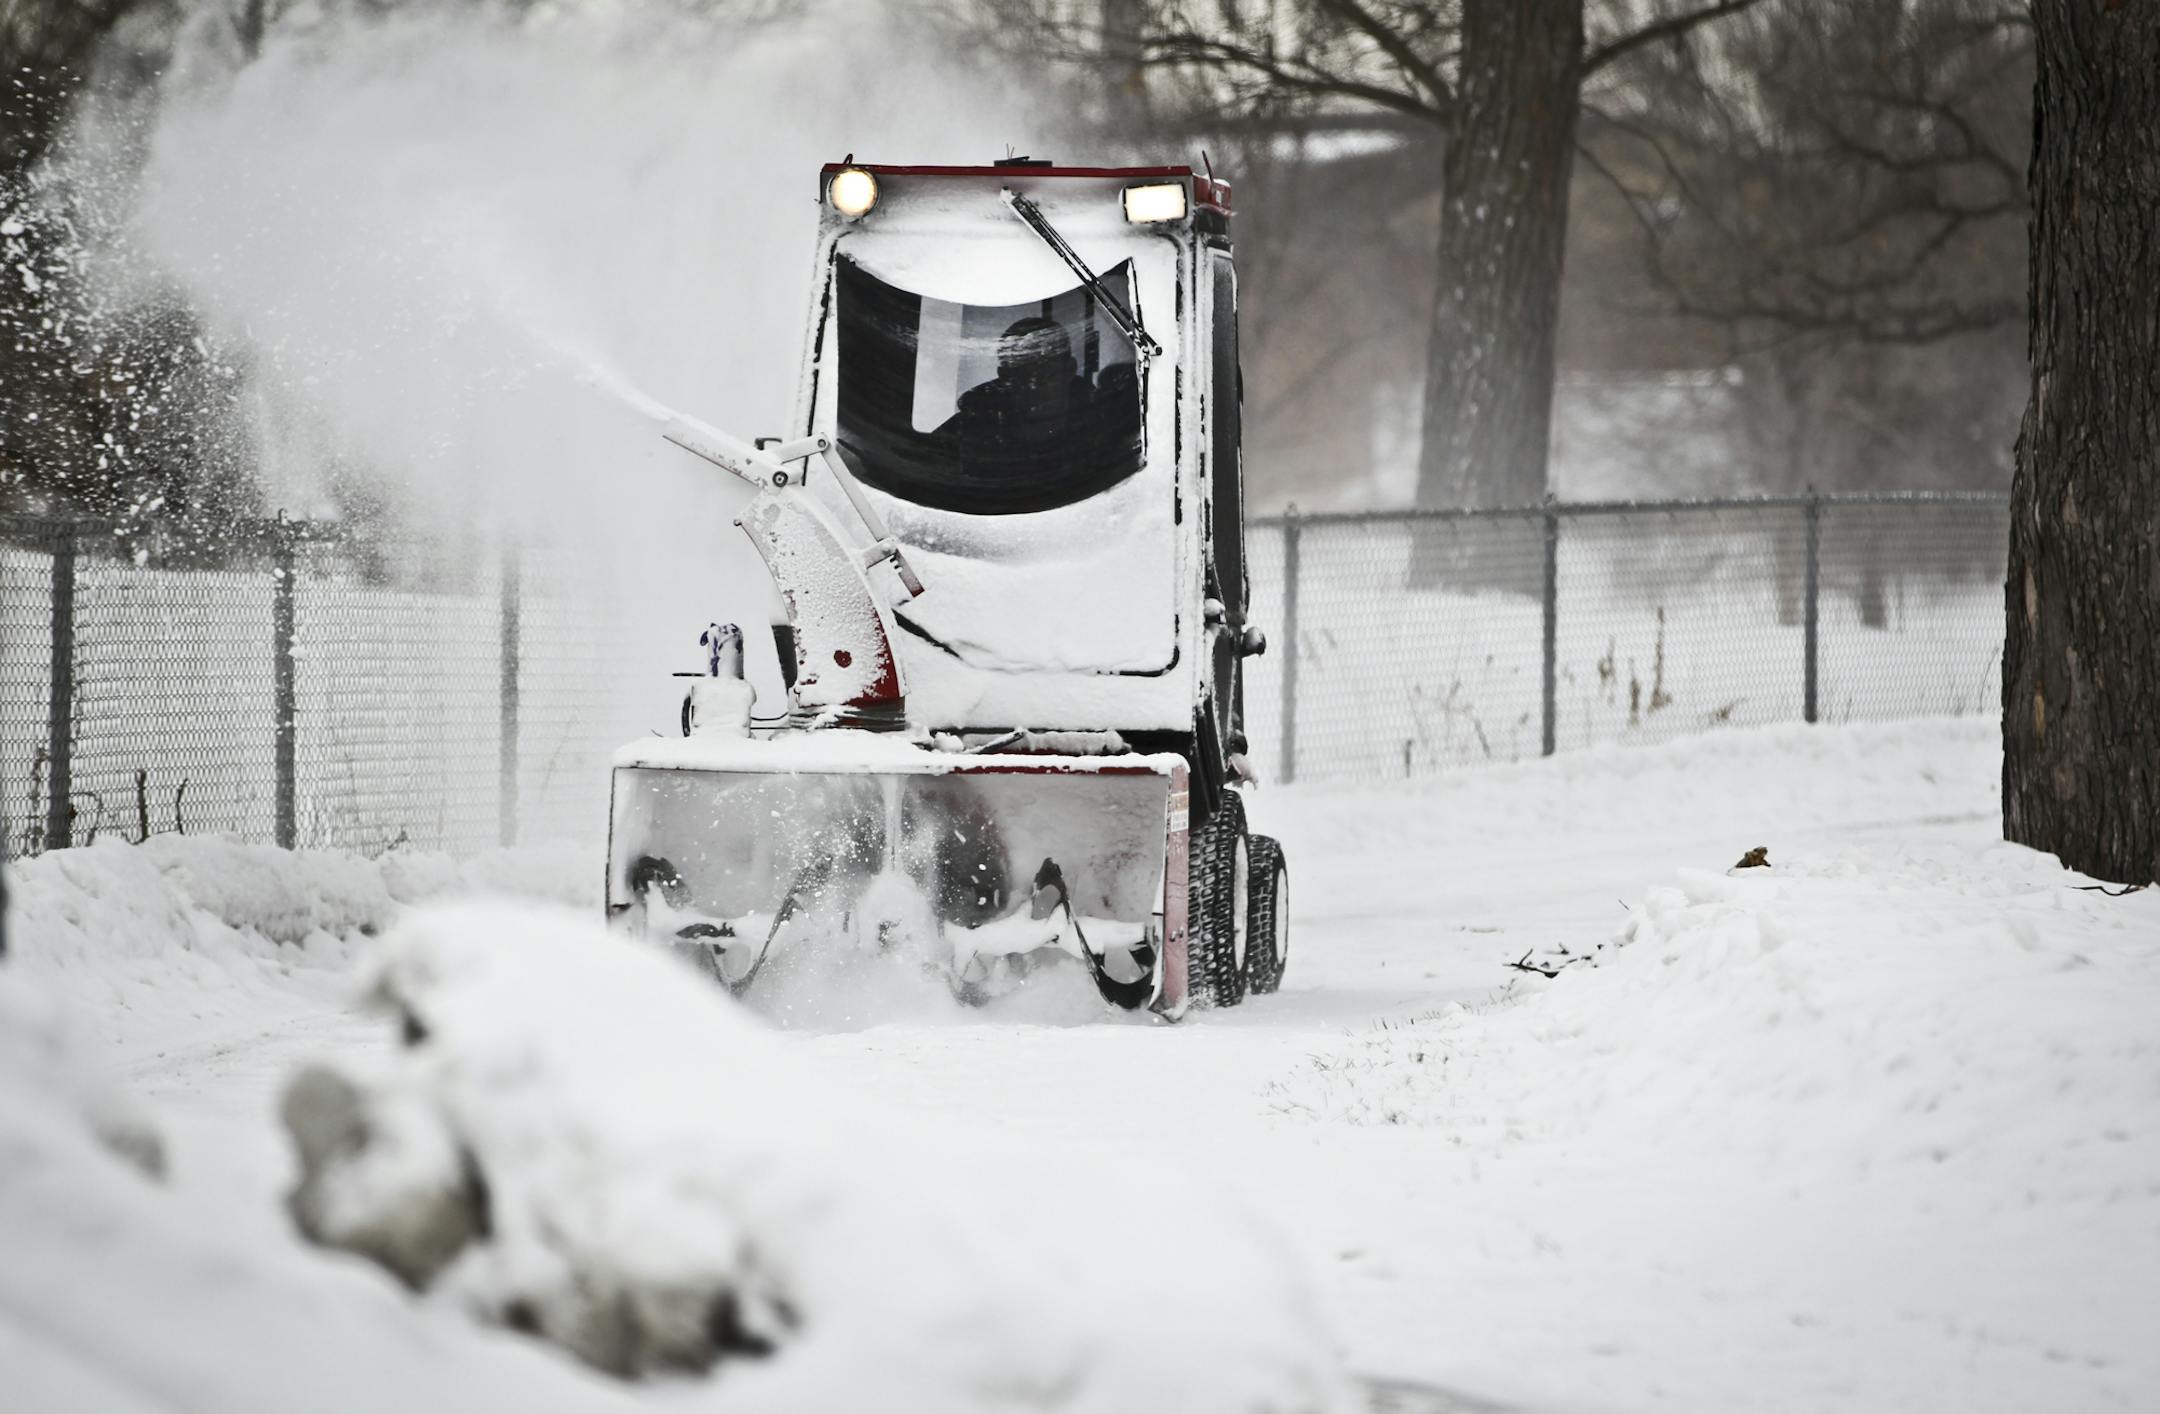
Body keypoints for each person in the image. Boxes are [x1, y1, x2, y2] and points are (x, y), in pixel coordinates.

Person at [940, 316, 1097, 468]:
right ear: (1004, 377)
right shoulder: (973, 422)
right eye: (1020, 376)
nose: (1032, 387)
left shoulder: (1102, 419)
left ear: (1069, 369)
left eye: (1044, 375)